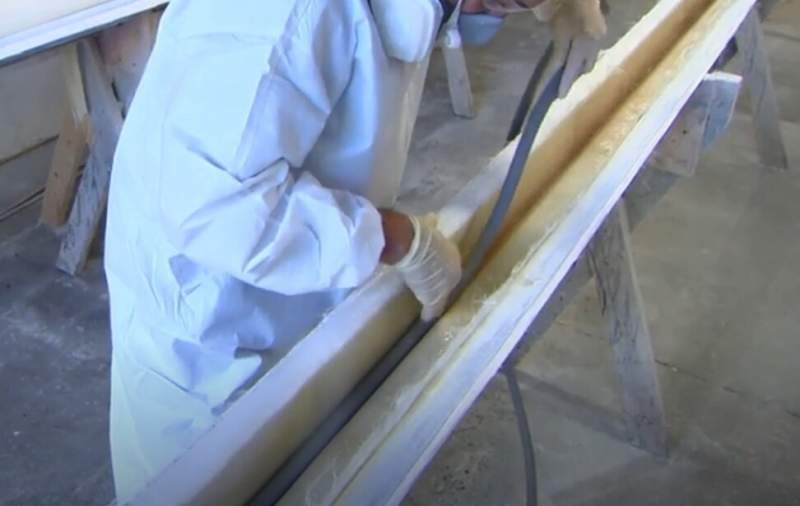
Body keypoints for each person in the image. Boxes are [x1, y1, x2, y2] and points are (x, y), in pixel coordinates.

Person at [104, 0, 606, 500]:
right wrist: (396, 238)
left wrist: (566, 4)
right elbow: (217, 210)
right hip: (210, 323)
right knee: (218, 481)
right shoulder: (278, 14)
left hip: (292, 284)